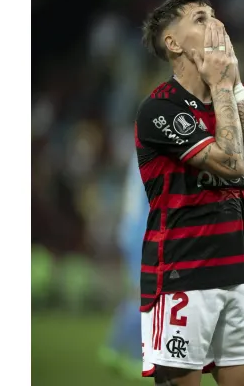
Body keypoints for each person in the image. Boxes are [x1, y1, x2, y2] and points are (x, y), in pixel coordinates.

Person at [136, 0, 244, 386]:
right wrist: (223, 84)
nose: (217, 26)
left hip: (238, 274)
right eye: (201, 19)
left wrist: (234, 88)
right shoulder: (160, 109)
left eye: (216, 17)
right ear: (173, 43)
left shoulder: (237, 94)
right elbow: (233, 162)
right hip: (182, 277)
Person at [99, 153, 149, 379]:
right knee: (142, 293)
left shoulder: (140, 151)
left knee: (140, 293)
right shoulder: (148, 151)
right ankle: (128, 353)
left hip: (136, 229)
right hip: (141, 231)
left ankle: (114, 349)